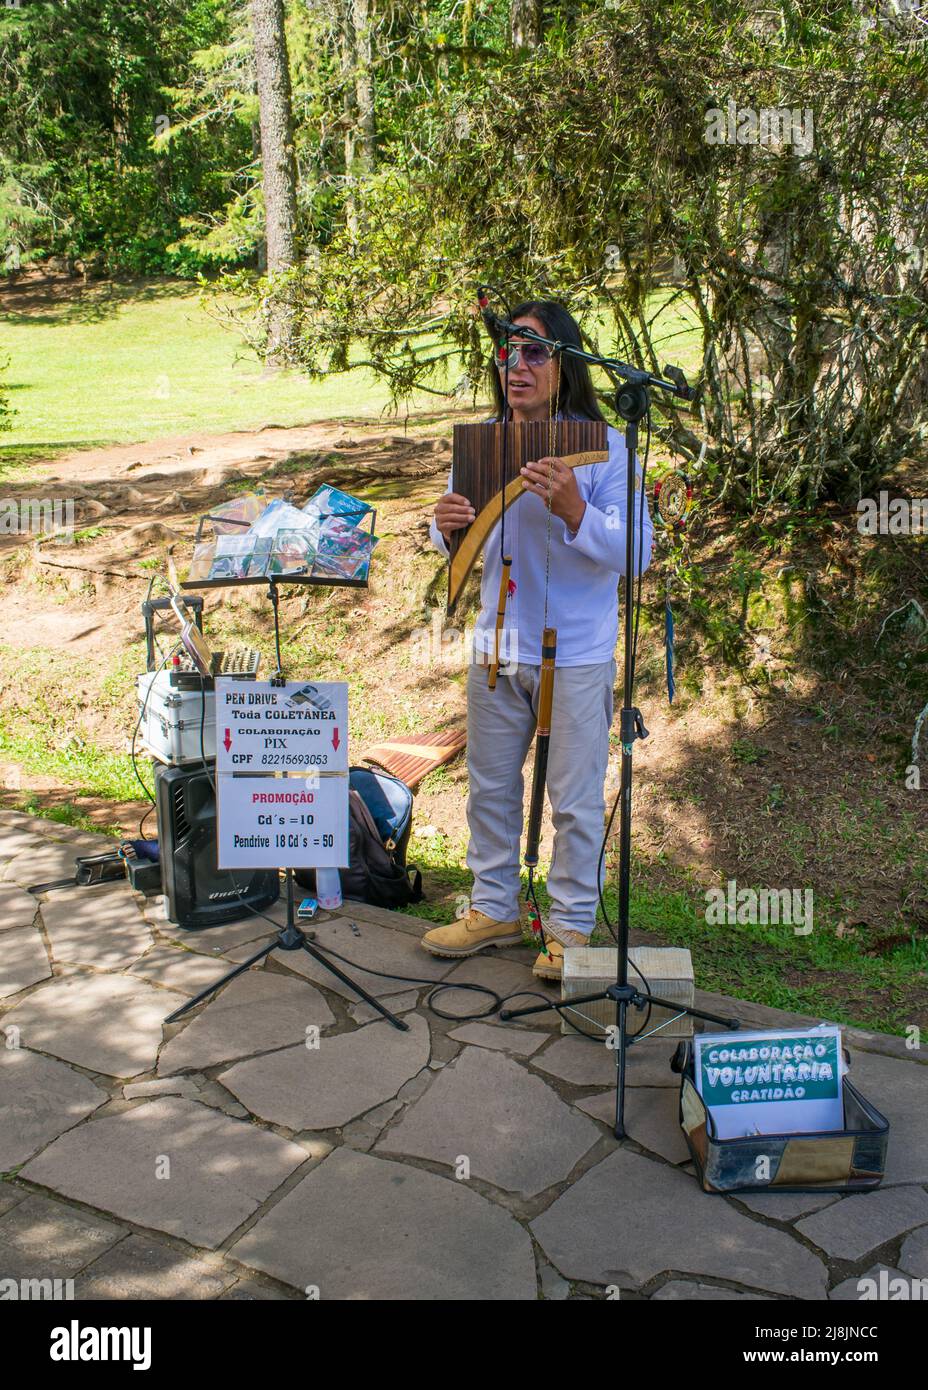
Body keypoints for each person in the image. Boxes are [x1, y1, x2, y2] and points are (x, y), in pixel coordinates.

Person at [420, 300, 653, 978]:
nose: (516, 366)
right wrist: (445, 525)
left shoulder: (607, 447)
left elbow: (637, 553)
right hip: (496, 645)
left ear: (566, 363)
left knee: (575, 802)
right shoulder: (483, 442)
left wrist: (577, 509)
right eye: (508, 353)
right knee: (489, 789)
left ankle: (571, 927)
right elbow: (456, 544)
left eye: (534, 352)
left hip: (575, 651)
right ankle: (492, 907)